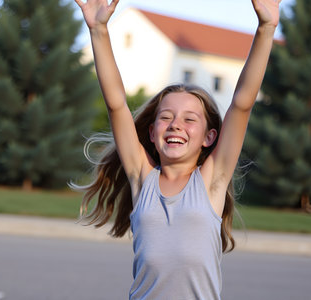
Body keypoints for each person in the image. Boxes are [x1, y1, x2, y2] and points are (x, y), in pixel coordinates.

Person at [72, 0, 281, 299]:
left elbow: (242, 103)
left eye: (189, 119)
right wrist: (98, 30)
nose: (175, 125)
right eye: (166, 117)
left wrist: (266, 28)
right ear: (151, 132)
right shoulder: (142, 178)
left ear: (209, 137)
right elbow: (116, 104)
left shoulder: (212, 180)